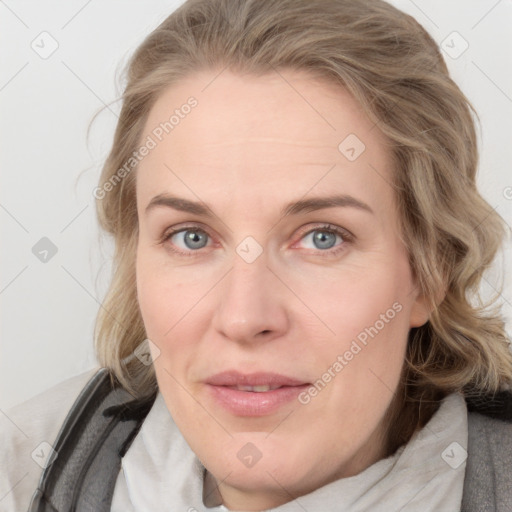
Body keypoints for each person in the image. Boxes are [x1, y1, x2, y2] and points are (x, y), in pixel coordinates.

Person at [2, 0, 512, 510]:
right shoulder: (21, 473)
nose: (245, 317)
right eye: (191, 237)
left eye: (322, 237)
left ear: (430, 269)